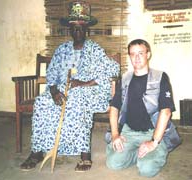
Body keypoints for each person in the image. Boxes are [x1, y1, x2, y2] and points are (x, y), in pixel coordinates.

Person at [20, 1, 120, 172]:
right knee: (42, 102)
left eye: (81, 27)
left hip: (89, 90)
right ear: (70, 30)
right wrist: (53, 91)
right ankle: (38, 151)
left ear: (86, 29)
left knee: (76, 99)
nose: (77, 31)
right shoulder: (62, 50)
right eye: (74, 28)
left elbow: (113, 70)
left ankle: (84, 154)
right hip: (63, 90)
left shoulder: (95, 50)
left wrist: (83, 83)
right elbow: (51, 74)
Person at [106, 39, 181, 177]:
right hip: (129, 131)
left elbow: (166, 112)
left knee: (146, 170)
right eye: (133, 54)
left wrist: (153, 142)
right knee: (113, 163)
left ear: (148, 54)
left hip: (153, 131)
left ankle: (153, 152)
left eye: (140, 53)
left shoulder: (160, 77)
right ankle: (138, 153)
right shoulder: (125, 79)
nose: (137, 57)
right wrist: (115, 134)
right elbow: (114, 107)